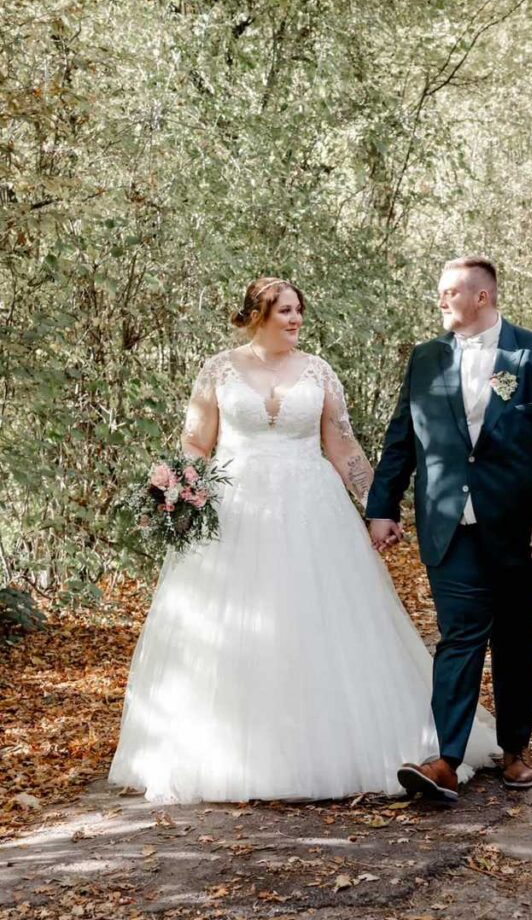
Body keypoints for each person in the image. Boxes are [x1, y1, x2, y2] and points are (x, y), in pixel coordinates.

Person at [108, 277, 500, 804]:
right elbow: (197, 442)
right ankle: (234, 751)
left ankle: (346, 743)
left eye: (298, 311)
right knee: (232, 623)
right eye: (284, 311)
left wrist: (377, 506)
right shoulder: (219, 369)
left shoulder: (317, 372)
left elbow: (343, 448)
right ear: (257, 315)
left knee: (317, 617)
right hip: (234, 513)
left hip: (312, 510)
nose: (295, 320)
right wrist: (179, 492)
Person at [367, 256, 532, 801]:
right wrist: (382, 506)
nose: (441, 301)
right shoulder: (424, 359)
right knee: (459, 638)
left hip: (520, 530)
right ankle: (446, 758)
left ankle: (514, 750)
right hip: (449, 526)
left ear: (481, 296)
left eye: (449, 292)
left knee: (513, 638)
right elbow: (402, 440)